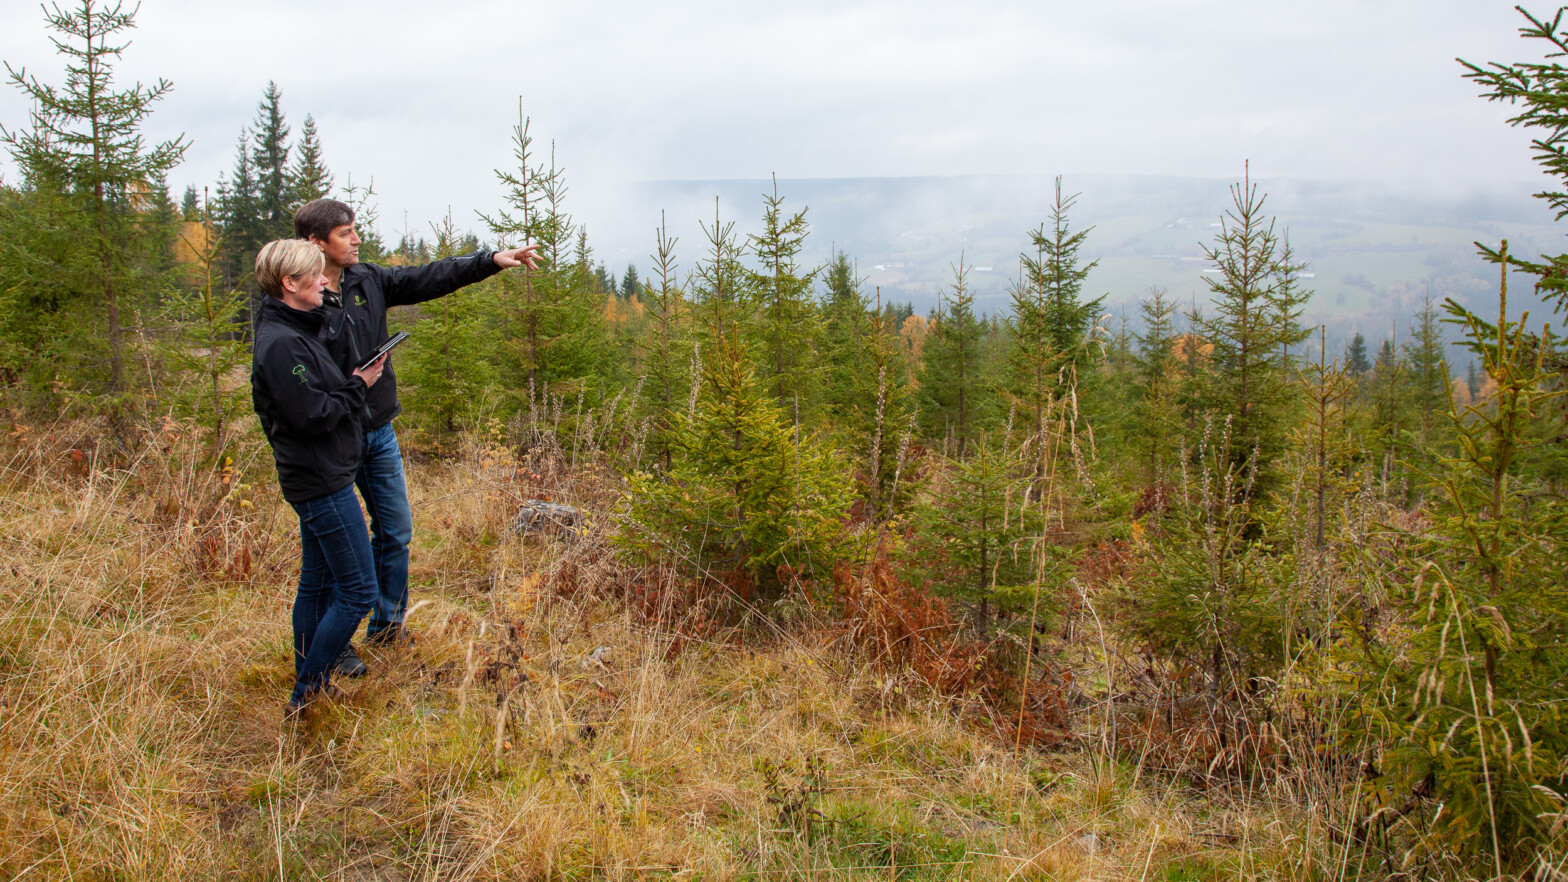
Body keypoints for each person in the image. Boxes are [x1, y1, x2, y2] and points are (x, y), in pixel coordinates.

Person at [293, 199, 543, 675]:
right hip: (331, 439)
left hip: (379, 429)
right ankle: (332, 644)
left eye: (354, 231)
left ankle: (388, 626)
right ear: (315, 243)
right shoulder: (300, 299)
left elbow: (429, 276)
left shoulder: (368, 279)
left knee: (395, 530)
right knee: (328, 554)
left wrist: (490, 261)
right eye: (345, 233)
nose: (356, 239)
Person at [249, 239, 387, 716]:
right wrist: (359, 384)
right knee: (358, 593)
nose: (326, 280)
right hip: (320, 482)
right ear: (290, 283)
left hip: (318, 474)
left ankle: (309, 682)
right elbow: (313, 414)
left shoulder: (293, 328)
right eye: (316, 275)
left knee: (315, 582)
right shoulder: (282, 342)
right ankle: (306, 690)